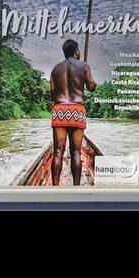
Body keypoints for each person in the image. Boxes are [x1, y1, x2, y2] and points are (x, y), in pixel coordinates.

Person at [49, 38, 96, 186]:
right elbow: (91, 87)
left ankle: (55, 189)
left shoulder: (55, 69)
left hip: (60, 110)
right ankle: (76, 189)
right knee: (76, 151)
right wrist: (91, 83)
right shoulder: (84, 66)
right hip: (77, 110)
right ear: (76, 51)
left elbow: (52, 93)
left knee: (58, 151)